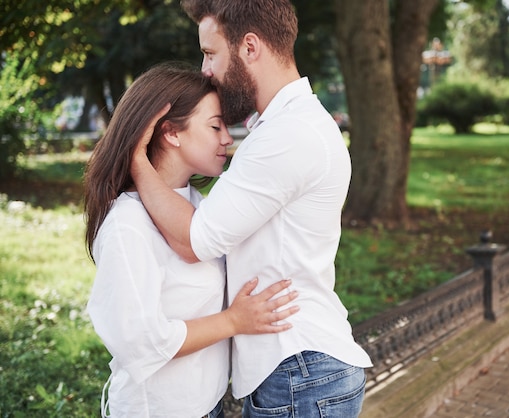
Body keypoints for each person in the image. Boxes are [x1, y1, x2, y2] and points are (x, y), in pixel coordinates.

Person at [130, 1, 373, 417]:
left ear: (250, 47)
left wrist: (134, 160)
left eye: (210, 53)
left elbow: (196, 240)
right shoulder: (291, 125)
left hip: (299, 369)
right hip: (302, 369)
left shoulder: (288, 134)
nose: (205, 69)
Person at [84, 62, 299, 418]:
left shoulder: (200, 212)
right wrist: (233, 321)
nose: (227, 138)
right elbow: (141, 341)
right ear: (171, 132)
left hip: (208, 405)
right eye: (215, 126)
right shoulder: (128, 223)